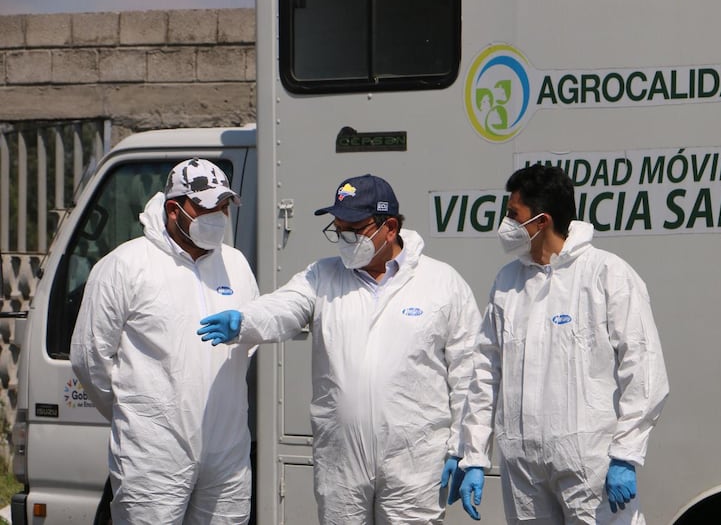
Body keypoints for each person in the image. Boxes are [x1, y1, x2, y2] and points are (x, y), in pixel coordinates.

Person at [197, 173, 483, 524]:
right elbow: (284, 307)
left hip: (416, 461)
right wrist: (245, 321)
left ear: (389, 227)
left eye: (354, 229)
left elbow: (468, 372)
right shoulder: (323, 276)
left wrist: (467, 450)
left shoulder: (442, 283)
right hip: (341, 463)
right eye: (338, 228)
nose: (344, 239)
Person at [456, 164, 669, 524]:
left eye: (513, 215)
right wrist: (475, 455)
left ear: (541, 221)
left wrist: (626, 453)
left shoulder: (605, 274)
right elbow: (484, 375)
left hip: (589, 462)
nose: (505, 224)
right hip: (522, 466)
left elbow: (644, 368)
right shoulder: (508, 283)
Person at [70, 158, 260, 524]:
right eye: (207, 207)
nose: (218, 216)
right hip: (152, 456)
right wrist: (139, 414)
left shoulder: (236, 265)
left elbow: (246, 348)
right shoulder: (124, 266)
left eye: (223, 207)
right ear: (174, 210)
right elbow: (90, 358)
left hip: (227, 454)